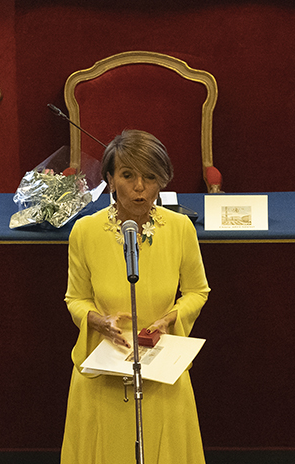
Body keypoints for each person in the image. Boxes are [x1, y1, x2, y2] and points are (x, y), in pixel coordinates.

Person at [61, 130, 211, 463]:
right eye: (128, 176)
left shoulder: (181, 229)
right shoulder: (84, 232)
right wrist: (99, 322)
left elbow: (198, 291)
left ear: (162, 182)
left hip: (162, 371)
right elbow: (76, 298)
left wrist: (170, 319)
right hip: (103, 372)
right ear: (111, 180)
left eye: (150, 177)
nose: (140, 187)